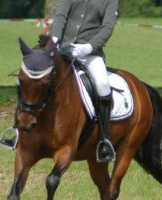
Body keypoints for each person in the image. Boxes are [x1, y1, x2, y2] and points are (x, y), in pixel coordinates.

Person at [51, 0, 119, 162]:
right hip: (63, 49)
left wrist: (89, 47)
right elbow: (60, 17)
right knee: (36, 73)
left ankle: (105, 140)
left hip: (90, 54)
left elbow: (107, 27)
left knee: (103, 85)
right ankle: (18, 130)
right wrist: (55, 40)